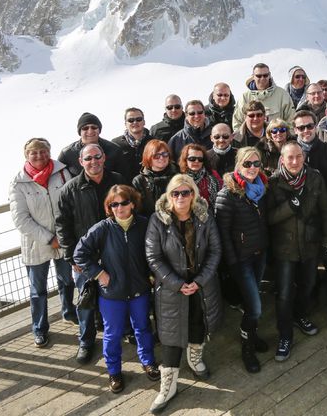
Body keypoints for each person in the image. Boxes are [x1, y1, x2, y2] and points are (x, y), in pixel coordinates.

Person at [145, 174, 223, 412]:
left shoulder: (204, 218)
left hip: (201, 286)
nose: (181, 197)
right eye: (175, 193)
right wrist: (177, 284)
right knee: (170, 335)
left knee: (198, 323)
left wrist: (198, 281)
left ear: (193, 194)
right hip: (171, 289)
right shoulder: (157, 220)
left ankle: (195, 358)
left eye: (186, 192)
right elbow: (153, 257)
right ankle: (168, 385)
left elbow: (215, 251)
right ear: (169, 196)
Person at [73, 185, 158, 394]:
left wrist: (152, 273)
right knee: (112, 334)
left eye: (124, 202)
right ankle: (114, 372)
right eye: (114, 204)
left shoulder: (144, 224)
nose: (119, 208)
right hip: (112, 294)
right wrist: (99, 273)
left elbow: (154, 251)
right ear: (109, 207)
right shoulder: (102, 228)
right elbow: (79, 254)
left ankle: (148, 361)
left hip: (139, 289)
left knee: (143, 327)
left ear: (132, 203)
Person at [56, 143, 124, 364]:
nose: (93, 162)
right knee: (85, 300)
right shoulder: (70, 189)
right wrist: (70, 257)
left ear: (104, 157)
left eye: (97, 157)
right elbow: (63, 225)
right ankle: (86, 341)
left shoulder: (116, 180)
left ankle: (126, 330)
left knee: (119, 293)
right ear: (80, 162)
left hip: (115, 252)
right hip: (85, 257)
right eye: (88, 159)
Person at [266, 142, 327, 360]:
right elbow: (268, 218)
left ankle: (301, 316)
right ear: (282, 159)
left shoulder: (315, 177)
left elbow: (325, 210)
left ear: (304, 157)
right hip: (284, 247)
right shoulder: (274, 182)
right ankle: (285, 335)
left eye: (298, 157)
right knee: (285, 293)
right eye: (290, 158)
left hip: (310, 243)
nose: (294, 162)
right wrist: (290, 207)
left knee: (308, 285)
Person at [9, 138, 75, 348]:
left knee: (66, 280)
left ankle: (68, 312)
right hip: (36, 244)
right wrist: (48, 238)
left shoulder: (63, 173)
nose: (39, 156)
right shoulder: (19, 182)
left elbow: (72, 203)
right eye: (34, 152)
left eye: (43, 151)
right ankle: (39, 328)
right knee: (38, 290)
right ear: (26, 155)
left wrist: (63, 236)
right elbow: (21, 219)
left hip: (63, 239)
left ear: (49, 152)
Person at [291, 110, 327, 332]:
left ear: (316, 126)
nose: (306, 131)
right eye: (301, 127)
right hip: (301, 222)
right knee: (306, 267)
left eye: (309, 126)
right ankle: (308, 304)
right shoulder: (290, 155)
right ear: (294, 129)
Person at [214, 147, 270, 373]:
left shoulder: (262, 188)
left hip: (260, 253)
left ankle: (252, 335)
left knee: (251, 302)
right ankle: (247, 347)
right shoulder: (227, 194)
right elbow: (223, 233)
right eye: (247, 164)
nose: (252, 168)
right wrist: (233, 262)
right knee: (255, 307)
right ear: (238, 165)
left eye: (256, 163)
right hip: (242, 259)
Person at [57, 112, 122, 178]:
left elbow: (124, 178)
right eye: (85, 128)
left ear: (99, 130)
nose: (90, 131)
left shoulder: (114, 150)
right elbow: (58, 178)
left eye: (94, 127)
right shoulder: (67, 154)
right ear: (80, 132)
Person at [233, 63, 295, 129]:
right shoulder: (245, 97)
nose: (262, 78)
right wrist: (241, 138)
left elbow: (291, 120)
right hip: (251, 138)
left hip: (277, 136)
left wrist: (287, 137)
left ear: (269, 75)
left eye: (265, 75)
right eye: (259, 76)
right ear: (253, 76)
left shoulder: (282, 94)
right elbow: (237, 122)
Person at [131, 139, 178, 217]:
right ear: (148, 157)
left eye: (165, 154)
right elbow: (137, 210)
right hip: (149, 224)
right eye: (157, 155)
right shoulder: (139, 181)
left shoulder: (178, 177)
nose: (161, 158)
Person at [111, 107, 153, 184]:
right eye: (131, 120)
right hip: (125, 190)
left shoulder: (153, 142)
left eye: (138, 119)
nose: (135, 122)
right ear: (125, 124)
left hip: (149, 189)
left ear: (144, 122)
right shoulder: (115, 144)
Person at [178, 144, 223, 210]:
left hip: (210, 215)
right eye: (192, 159)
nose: (196, 161)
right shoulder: (179, 177)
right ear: (185, 160)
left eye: (200, 159)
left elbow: (221, 197)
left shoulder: (213, 174)